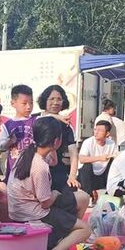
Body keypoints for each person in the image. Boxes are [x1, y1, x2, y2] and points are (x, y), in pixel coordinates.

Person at [7, 116, 91, 250]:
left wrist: (52, 151)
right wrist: (56, 193)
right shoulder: (40, 166)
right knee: (85, 229)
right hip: (34, 212)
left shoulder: (28, 152)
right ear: (57, 141)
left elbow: (54, 162)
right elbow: (45, 202)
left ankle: (63, 240)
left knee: (83, 198)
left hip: (22, 208)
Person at [37, 85, 90, 219]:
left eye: (59, 99)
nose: (55, 102)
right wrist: (56, 117)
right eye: (51, 99)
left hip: (58, 171)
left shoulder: (67, 126)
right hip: (38, 170)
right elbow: (42, 120)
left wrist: (72, 176)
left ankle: (71, 227)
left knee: (80, 197)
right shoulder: (37, 120)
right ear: (45, 100)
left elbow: (73, 154)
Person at [0, 84, 35, 180]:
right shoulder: (7, 125)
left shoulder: (37, 121)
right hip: (14, 169)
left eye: (31, 103)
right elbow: (1, 146)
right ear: (13, 103)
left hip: (33, 168)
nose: (29, 106)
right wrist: (9, 142)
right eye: (24, 103)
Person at [77, 120, 117, 197]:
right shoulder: (88, 142)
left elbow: (115, 157)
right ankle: (88, 196)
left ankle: (111, 194)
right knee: (87, 165)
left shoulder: (111, 143)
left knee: (114, 163)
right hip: (87, 176)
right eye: (95, 129)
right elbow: (82, 159)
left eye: (100, 130)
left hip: (101, 176)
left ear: (107, 133)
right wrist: (100, 158)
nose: (96, 132)